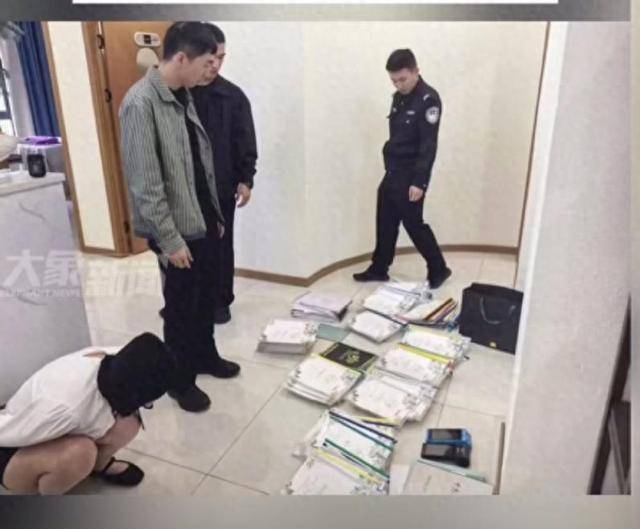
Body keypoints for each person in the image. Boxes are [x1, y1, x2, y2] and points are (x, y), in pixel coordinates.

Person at [120, 22, 238, 414]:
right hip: (174, 228)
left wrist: (214, 212)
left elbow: (199, 162)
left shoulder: (184, 94)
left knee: (206, 297)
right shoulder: (140, 104)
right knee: (181, 306)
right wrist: (170, 240)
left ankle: (205, 356)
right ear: (182, 58)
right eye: (207, 62)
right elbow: (145, 183)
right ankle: (179, 379)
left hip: (202, 217)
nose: (212, 70)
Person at [0, 333, 178, 495]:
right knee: (80, 454)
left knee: (129, 423)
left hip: (49, 426)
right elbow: (8, 432)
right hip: (11, 439)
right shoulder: (64, 408)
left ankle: (98, 466)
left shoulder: (119, 361)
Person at [353, 49, 452, 289]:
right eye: (394, 80)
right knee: (385, 219)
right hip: (394, 170)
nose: (398, 85)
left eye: (403, 79)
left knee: (413, 223)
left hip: (411, 172)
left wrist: (420, 182)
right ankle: (379, 268)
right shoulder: (399, 97)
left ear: (416, 71)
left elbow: (428, 144)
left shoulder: (428, 100)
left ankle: (438, 268)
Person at [191, 23, 258, 325]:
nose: (216, 65)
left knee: (220, 246)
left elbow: (245, 141)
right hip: (185, 189)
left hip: (220, 187)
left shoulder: (232, 97)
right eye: (211, 58)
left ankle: (220, 301)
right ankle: (186, 300)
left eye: (221, 58)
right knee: (187, 247)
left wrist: (246, 179)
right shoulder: (178, 93)